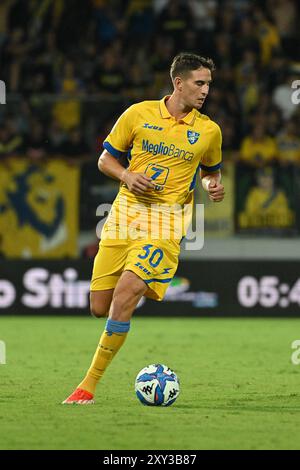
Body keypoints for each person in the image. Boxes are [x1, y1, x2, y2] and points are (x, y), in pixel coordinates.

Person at [63, 52, 225, 404]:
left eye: (208, 84)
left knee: (123, 295)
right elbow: (105, 159)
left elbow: (212, 170)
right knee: (99, 307)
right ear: (178, 83)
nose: (205, 91)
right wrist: (126, 175)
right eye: (200, 83)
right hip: (122, 218)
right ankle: (133, 294)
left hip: (166, 225)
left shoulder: (209, 131)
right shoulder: (138, 114)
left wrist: (213, 184)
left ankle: (87, 386)